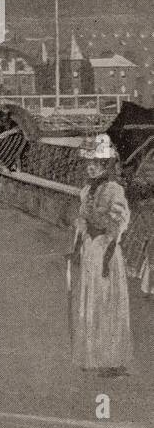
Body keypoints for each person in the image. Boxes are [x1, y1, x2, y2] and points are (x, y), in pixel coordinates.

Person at [68, 135, 133, 376]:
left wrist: (107, 255)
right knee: (91, 299)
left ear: (106, 165)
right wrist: (77, 247)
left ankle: (111, 358)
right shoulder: (87, 191)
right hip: (90, 248)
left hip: (106, 248)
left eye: (96, 163)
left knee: (107, 300)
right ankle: (92, 355)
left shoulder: (114, 190)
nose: (91, 167)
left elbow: (119, 224)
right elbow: (82, 221)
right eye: (89, 163)